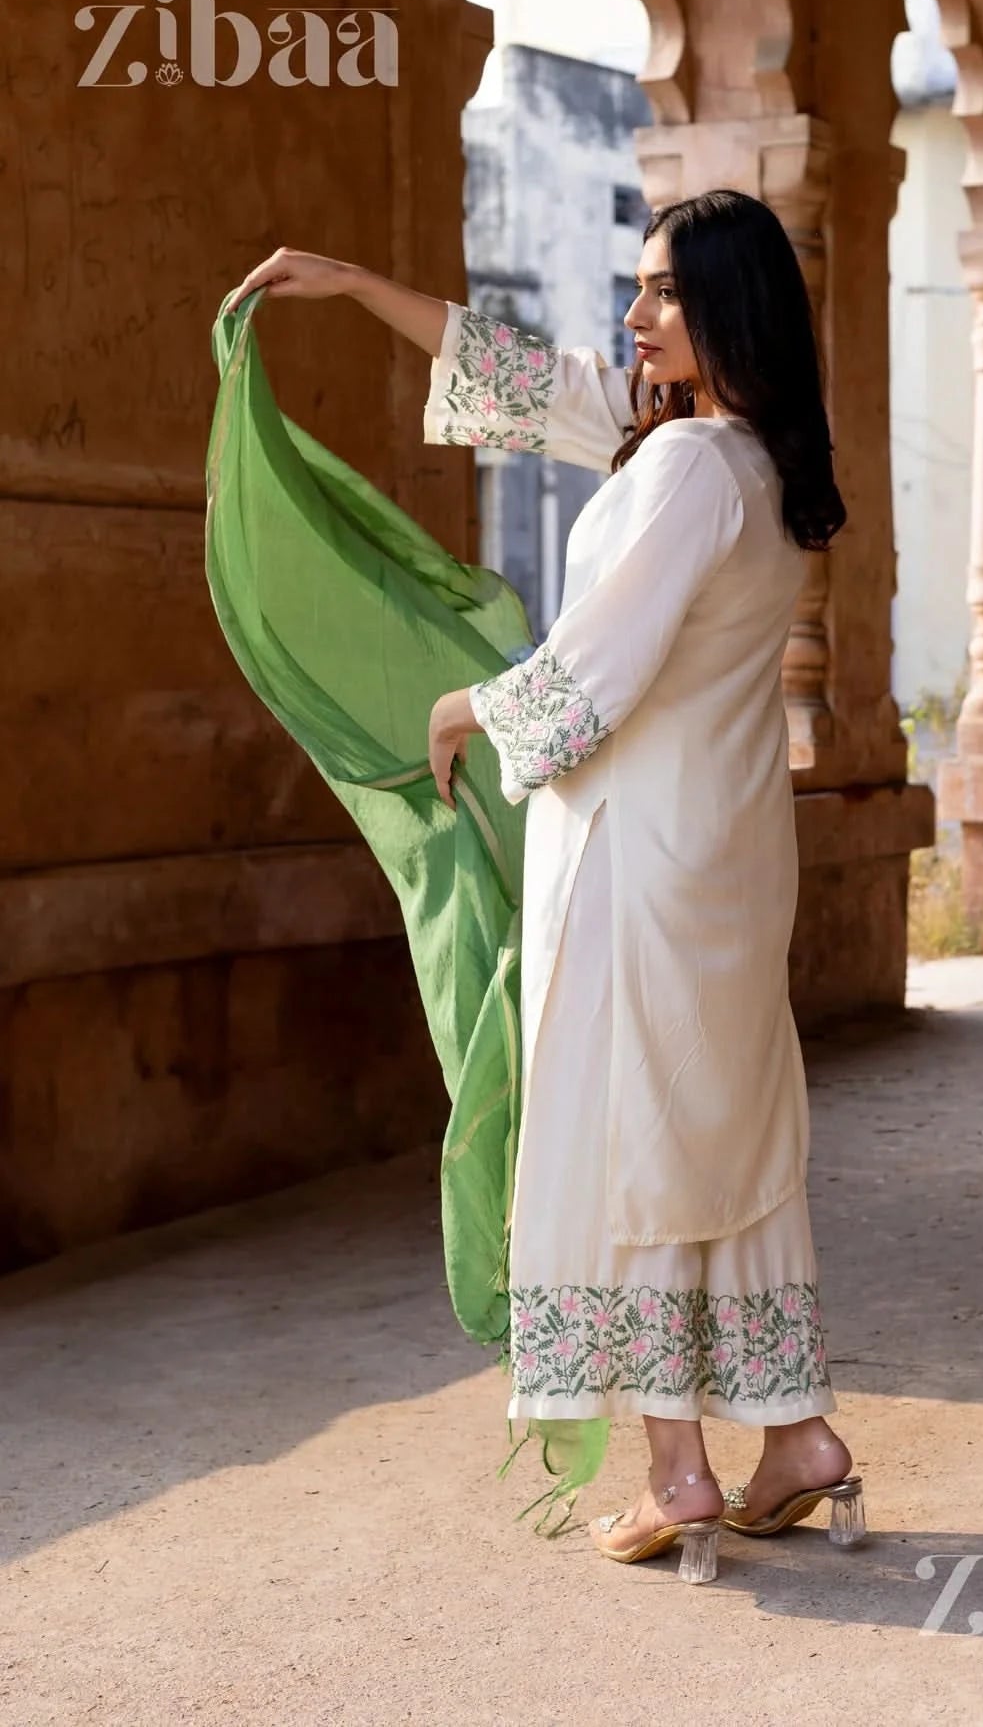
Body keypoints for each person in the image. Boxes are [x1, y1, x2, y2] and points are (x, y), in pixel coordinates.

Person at [228, 188, 865, 1584]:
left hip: (642, 860)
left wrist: (467, 704)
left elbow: (594, 670)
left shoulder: (690, 470)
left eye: (660, 294)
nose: (632, 317)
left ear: (726, 313)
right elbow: (529, 386)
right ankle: (798, 1435)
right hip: (727, 856)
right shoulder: (747, 460)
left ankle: (679, 1470)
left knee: (621, 1141)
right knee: (726, 1142)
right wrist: (348, 278)